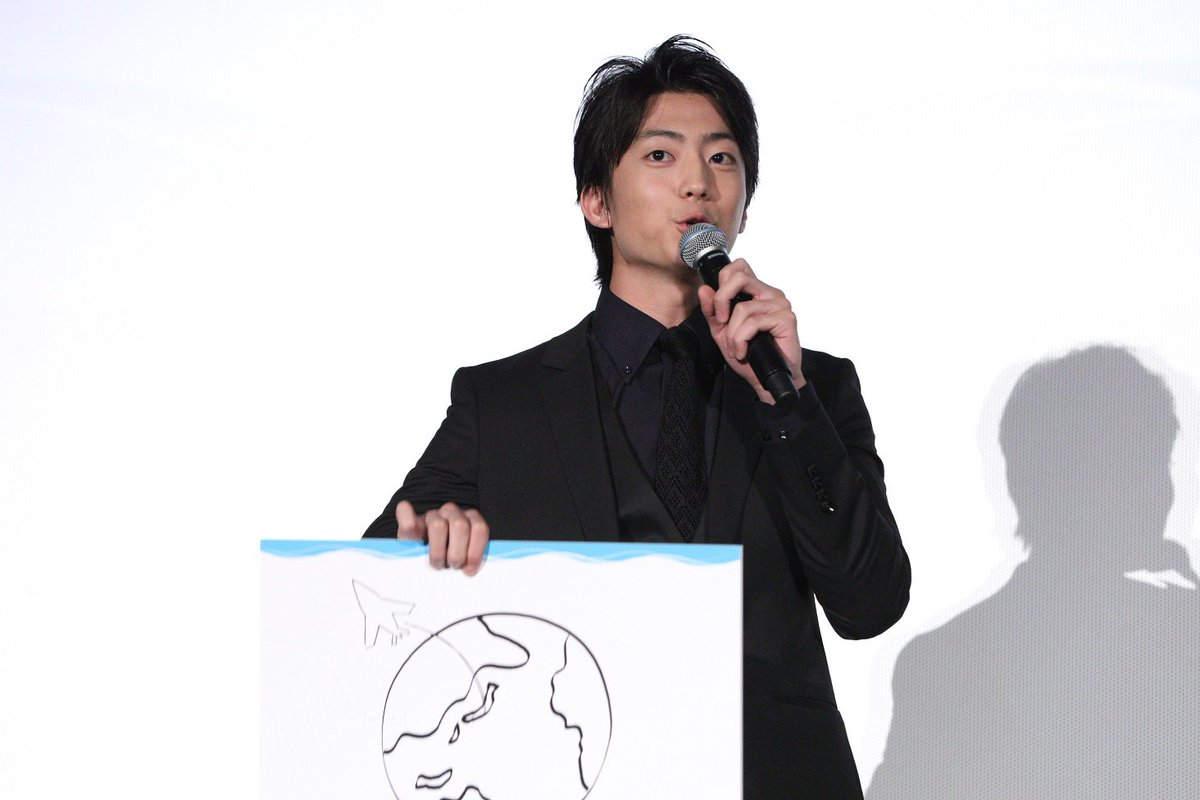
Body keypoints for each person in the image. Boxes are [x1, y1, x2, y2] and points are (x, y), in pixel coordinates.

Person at [365, 35, 910, 798]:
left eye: (722, 159)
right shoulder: (505, 404)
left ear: (744, 206)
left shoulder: (813, 388)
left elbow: (870, 603)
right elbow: (372, 592)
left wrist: (787, 405)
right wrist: (429, 545)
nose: (697, 181)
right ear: (597, 200)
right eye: (661, 155)